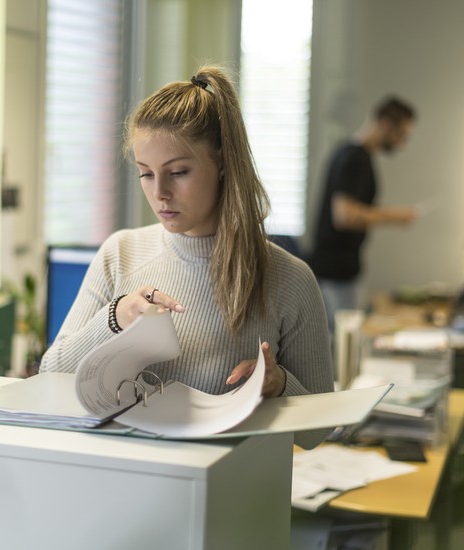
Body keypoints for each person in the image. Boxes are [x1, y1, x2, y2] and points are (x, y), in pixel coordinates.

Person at [39, 65, 333, 403]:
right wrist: (116, 317)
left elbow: (319, 430)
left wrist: (279, 384)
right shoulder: (119, 254)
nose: (160, 192)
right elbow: (49, 376)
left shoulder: (289, 279)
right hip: (123, 457)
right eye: (145, 174)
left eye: (178, 172)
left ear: (223, 163)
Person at [307, 96, 418, 330]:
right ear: (386, 124)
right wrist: (397, 217)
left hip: (343, 274)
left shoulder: (357, 156)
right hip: (334, 276)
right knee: (338, 351)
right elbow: (345, 216)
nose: (402, 144)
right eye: (402, 135)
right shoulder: (353, 158)